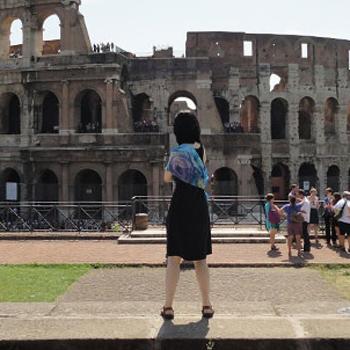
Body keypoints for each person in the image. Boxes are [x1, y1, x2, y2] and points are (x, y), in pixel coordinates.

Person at [162, 111, 213, 320]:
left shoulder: (177, 153)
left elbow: (166, 178)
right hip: (198, 204)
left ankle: (168, 307)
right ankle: (207, 305)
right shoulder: (202, 150)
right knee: (200, 259)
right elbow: (203, 174)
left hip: (180, 203)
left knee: (174, 257)